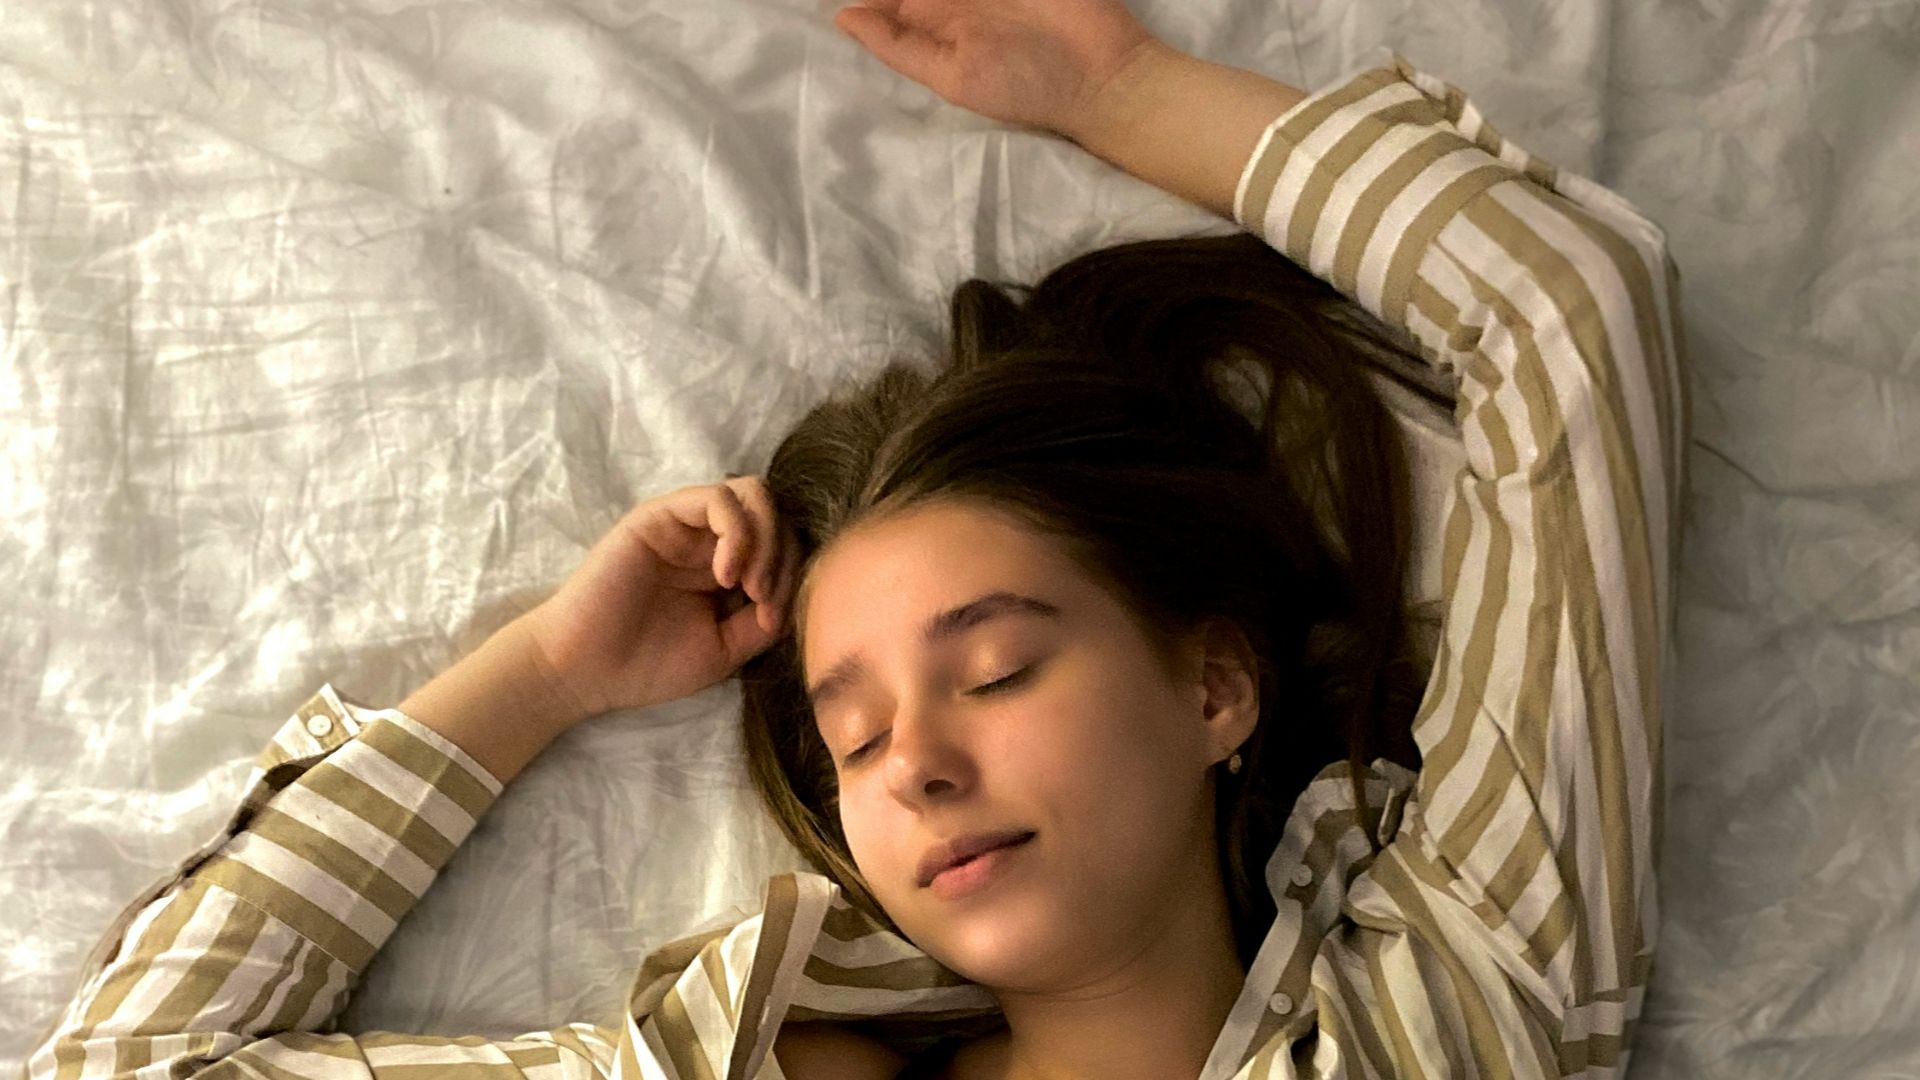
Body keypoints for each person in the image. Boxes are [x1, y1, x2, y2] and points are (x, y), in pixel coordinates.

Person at [20, 0, 1688, 1076]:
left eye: (1000, 669)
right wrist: (541, 678)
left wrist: (1125, 89)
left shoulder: (1451, 1015)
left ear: (1216, 690)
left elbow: (1568, 315)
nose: (913, 773)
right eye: (854, 738)